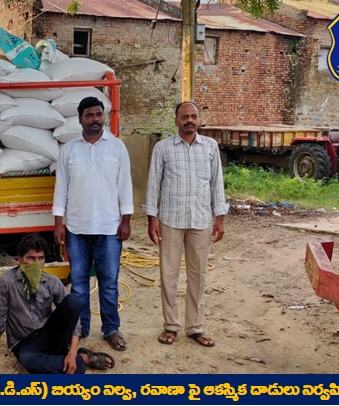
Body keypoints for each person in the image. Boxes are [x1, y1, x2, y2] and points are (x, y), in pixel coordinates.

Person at [0, 233, 115, 374]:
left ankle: (72, 357)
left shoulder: (51, 281)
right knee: (32, 362)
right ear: (20, 259)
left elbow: (74, 317)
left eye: (40, 258)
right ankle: (82, 360)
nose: (36, 263)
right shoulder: (5, 282)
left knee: (73, 300)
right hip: (24, 342)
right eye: (31, 258)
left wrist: (72, 352)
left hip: (50, 334)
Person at [143, 101, 229, 348]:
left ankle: (195, 327)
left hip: (201, 220)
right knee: (168, 274)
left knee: (198, 275)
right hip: (170, 219)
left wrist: (220, 217)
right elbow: (153, 184)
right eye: (184, 117)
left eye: (193, 116)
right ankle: (170, 325)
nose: (189, 120)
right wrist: (152, 218)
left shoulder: (210, 147)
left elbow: (217, 184)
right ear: (176, 121)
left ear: (199, 119)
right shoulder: (163, 148)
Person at [53, 96, 134, 352]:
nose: (95, 119)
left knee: (109, 283)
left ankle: (111, 329)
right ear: (80, 120)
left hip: (109, 228)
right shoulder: (69, 150)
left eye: (98, 114)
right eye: (89, 115)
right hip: (76, 229)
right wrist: (58, 223)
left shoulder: (117, 148)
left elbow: (125, 185)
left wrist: (126, 220)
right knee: (78, 285)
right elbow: (61, 188)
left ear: (104, 117)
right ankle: (80, 328)